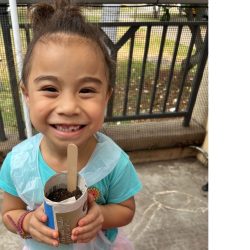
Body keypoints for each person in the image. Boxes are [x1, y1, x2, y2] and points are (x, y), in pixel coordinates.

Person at [0, 0, 142, 249]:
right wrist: (26, 222)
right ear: (27, 94)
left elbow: (126, 209)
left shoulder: (114, 163)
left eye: (86, 90)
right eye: (50, 89)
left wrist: (102, 217)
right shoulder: (17, 164)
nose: (68, 107)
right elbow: (9, 213)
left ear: (106, 96)